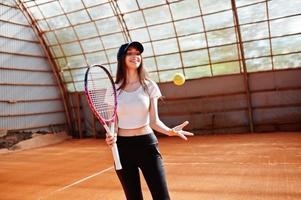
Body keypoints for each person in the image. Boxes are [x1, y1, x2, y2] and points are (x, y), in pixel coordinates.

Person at [105, 41, 194, 200]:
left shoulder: (149, 85)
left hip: (147, 145)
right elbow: (114, 122)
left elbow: (154, 121)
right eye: (130, 53)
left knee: (162, 197)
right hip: (122, 148)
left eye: (138, 53)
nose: (135, 56)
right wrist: (111, 136)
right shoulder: (113, 89)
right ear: (122, 58)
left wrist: (170, 131)